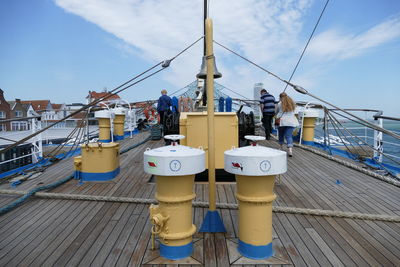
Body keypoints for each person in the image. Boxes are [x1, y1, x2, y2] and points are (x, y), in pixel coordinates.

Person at [276, 92, 299, 157]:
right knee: (289, 136)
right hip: (291, 121)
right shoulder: (292, 103)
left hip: (282, 121)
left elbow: (276, 112)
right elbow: (295, 112)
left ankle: (281, 147)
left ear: (280, 97)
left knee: (281, 134)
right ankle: (290, 150)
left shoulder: (279, 103)